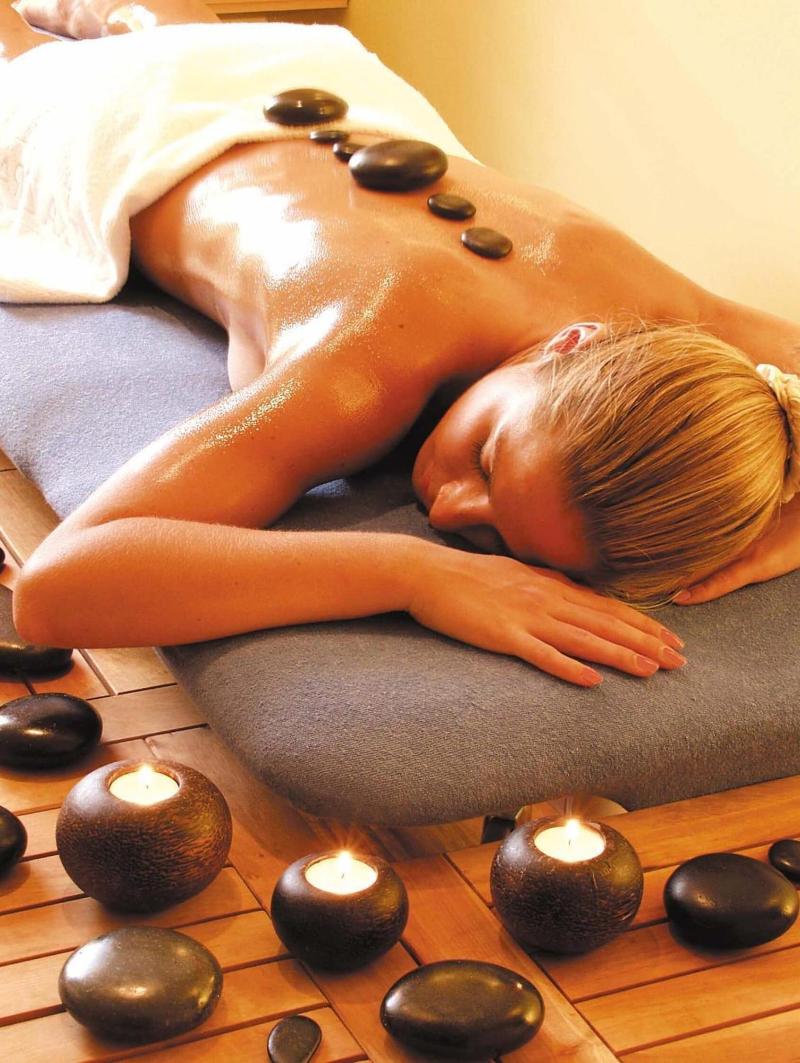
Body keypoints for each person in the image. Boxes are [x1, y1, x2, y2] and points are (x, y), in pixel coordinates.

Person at [5, 0, 800, 689]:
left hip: (314, 76)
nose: (450, 508)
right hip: (119, 128)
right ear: (569, 343)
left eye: (498, 543)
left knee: (168, 26)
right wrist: (415, 571)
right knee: (21, 58)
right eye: (486, 459)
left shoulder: (664, 312)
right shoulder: (366, 365)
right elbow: (59, 588)